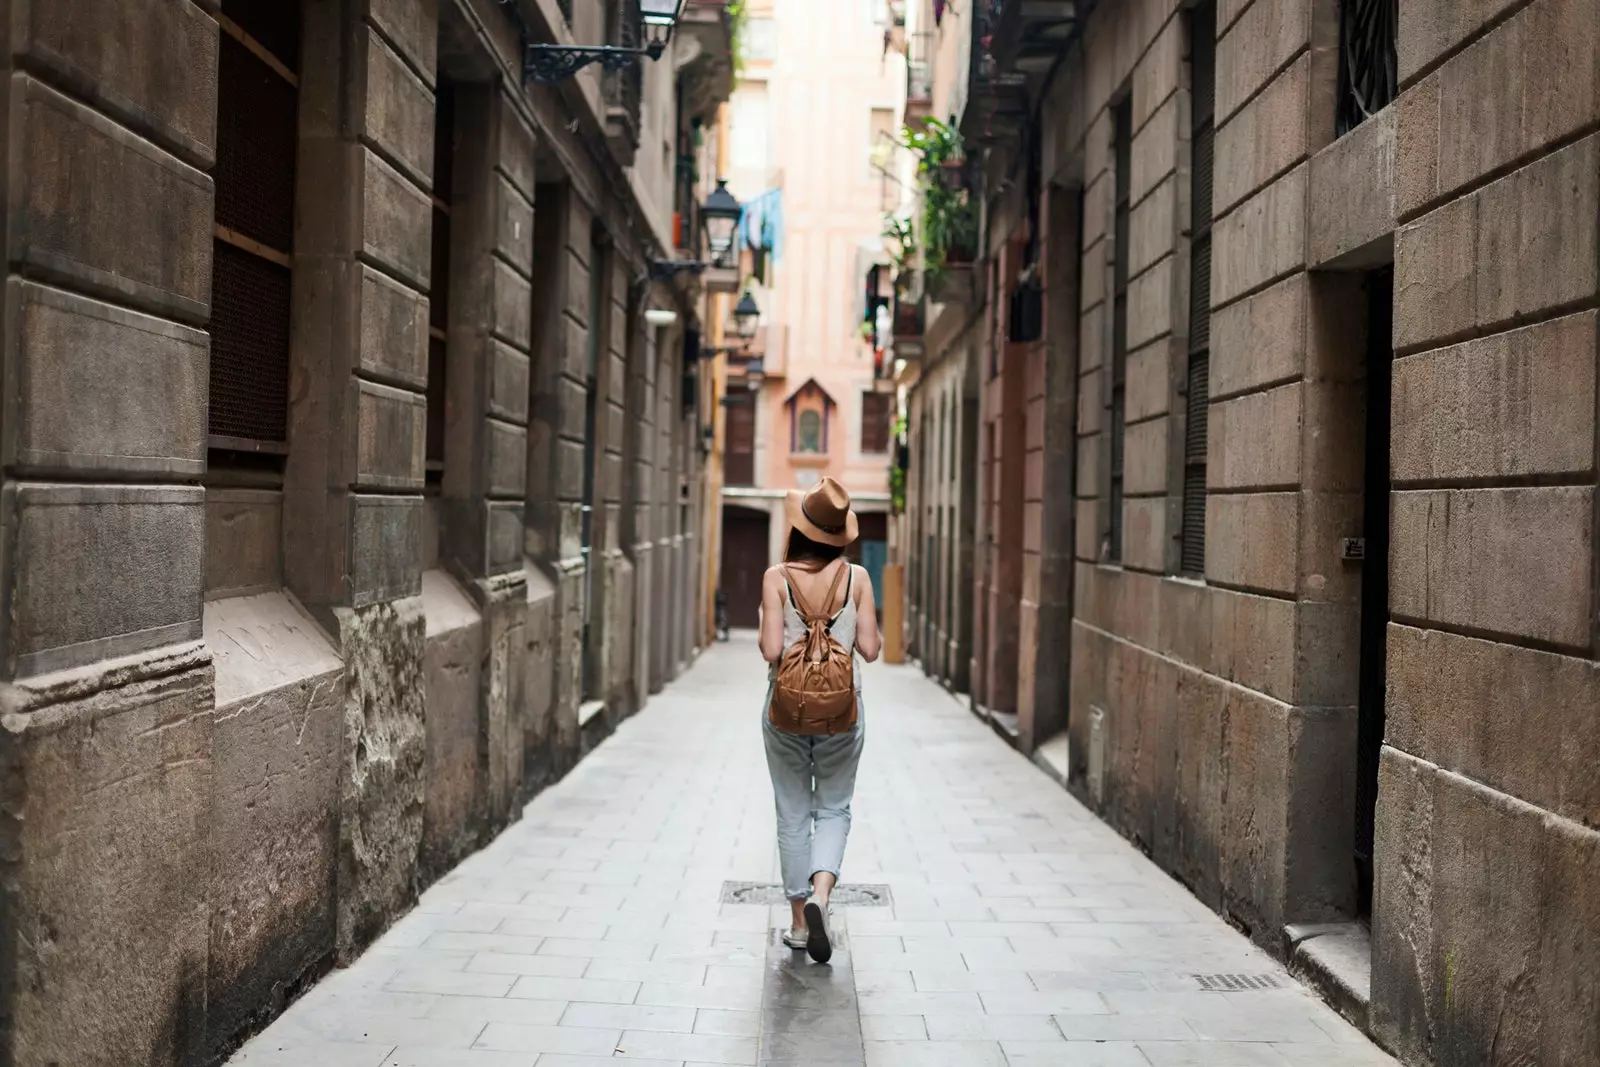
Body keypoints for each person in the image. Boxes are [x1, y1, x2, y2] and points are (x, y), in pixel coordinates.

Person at [758, 477, 881, 963]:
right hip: (842, 713)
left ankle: (796, 925)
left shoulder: (775, 577)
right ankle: (821, 897)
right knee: (834, 808)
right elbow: (869, 650)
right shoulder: (858, 578)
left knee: (792, 812)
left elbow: (770, 649)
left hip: (785, 711)